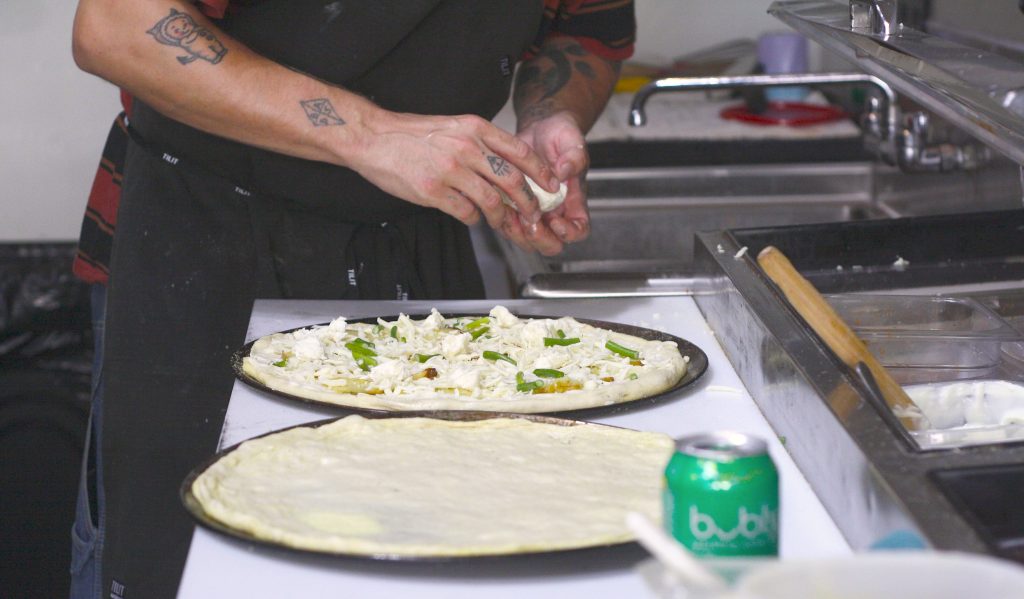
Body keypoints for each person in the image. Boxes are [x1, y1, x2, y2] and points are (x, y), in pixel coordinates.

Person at [68, 1, 634, 597]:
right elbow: (116, 28)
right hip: (206, 239)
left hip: (414, 241)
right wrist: (371, 134)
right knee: (182, 561)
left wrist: (549, 114)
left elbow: (589, 29)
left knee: (424, 543)